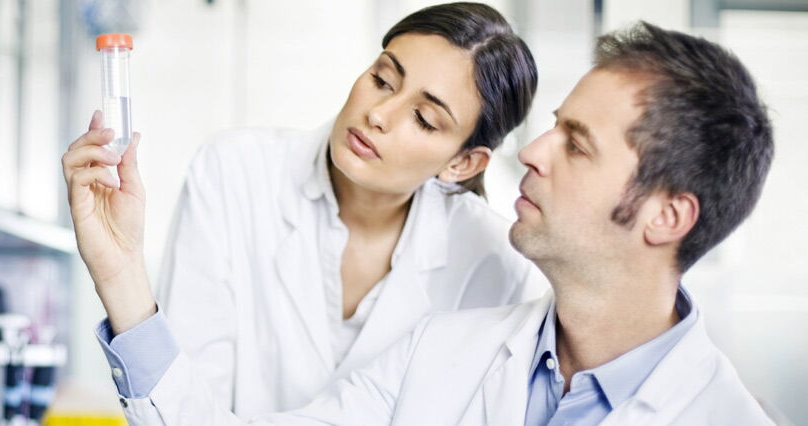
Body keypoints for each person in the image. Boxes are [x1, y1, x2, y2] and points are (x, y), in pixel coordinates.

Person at [63, 21, 776, 425]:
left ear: (666, 216)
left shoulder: (721, 415)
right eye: (383, 78)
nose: (532, 153)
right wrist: (122, 276)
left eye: (577, 145)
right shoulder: (445, 352)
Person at [63, 2, 544, 417]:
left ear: (463, 163)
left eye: (423, 118)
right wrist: (121, 273)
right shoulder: (235, 171)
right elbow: (182, 409)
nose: (379, 114)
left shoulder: (497, 266)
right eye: (382, 79)